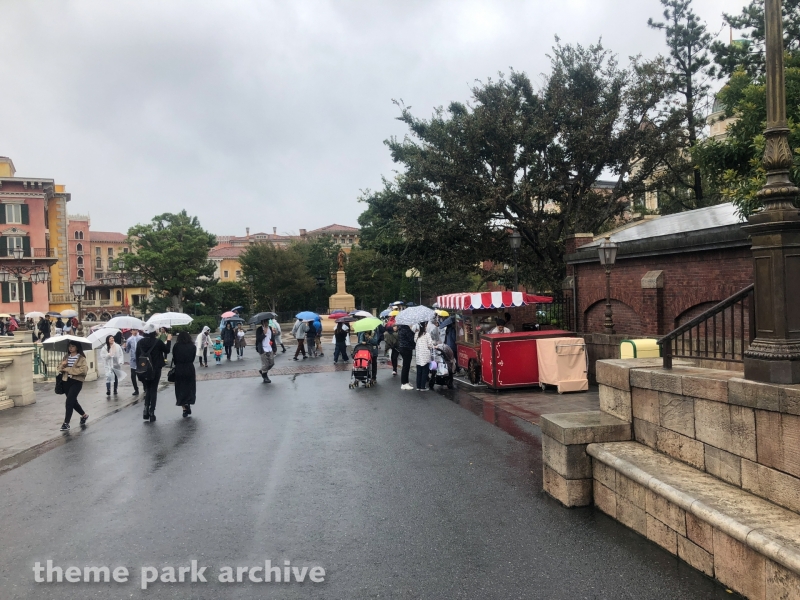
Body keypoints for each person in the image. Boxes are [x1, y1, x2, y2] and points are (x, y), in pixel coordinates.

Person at [135, 323, 172, 422]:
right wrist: (168, 340)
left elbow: (136, 356)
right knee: (153, 389)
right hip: (155, 369)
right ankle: (152, 412)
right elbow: (167, 351)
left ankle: (145, 409)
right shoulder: (158, 342)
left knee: (147, 389)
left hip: (143, 369)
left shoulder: (140, 342)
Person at [59, 341, 89, 431]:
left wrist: (68, 369)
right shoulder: (66, 357)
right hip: (66, 381)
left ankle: (66, 423)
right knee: (73, 401)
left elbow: (83, 371)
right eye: (69, 346)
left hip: (77, 381)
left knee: (69, 402)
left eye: (73, 346)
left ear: (77, 347)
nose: (70, 348)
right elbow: (59, 369)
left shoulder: (81, 358)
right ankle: (84, 415)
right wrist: (62, 365)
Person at [171, 331, 197, 417]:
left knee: (180, 388)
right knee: (189, 387)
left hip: (179, 368)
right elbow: (193, 358)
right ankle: (188, 402)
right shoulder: (192, 346)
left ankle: (184, 408)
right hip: (189, 367)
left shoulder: (176, 346)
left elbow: (174, 358)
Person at [414, 323, 434, 391]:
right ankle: (423, 387)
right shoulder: (427, 334)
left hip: (419, 355)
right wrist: (434, 346)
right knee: (425, 371)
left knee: (419, 371)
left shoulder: (416, 334)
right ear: (425, 327)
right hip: (425, 356)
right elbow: (430, 345)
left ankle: (418, 386)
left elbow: (415, 341)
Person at [124, 328, 142, 396]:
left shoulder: (141, 338)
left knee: (141, 374)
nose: (135, 331)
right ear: (131, 331)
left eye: (136, 330)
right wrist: (125, 347)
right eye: (134, 330)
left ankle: (145, 387)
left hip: (140, 359)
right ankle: (136, 389)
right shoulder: (129, 340)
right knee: (133, 375)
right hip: (133, 360)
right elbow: (127, 350)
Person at [255, 318, 274, 383]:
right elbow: (258, 339)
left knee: (271, 363)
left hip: (269, 348)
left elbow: (272, 339)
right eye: (266, 321)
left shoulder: (270, 328)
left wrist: (274, 348)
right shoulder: (259, 329)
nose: (267, 323)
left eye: (268, 321)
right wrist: (263, 333)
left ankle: (262, 370)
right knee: (265, 364)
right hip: (263, 349)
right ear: (263, 322)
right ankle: (265, 377)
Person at [397, 324, 415, 390]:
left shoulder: (401, 328)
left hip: (402, 348)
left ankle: (406, 381)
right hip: (406, 348)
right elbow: (411, 339)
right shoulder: (406, 329)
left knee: (406, 365)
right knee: (406, 366)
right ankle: (404, 383)